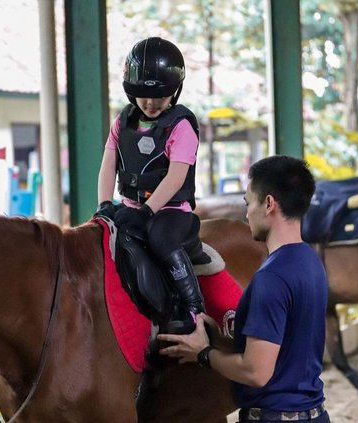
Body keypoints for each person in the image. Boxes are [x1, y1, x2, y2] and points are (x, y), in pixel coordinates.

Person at [158, 155, 331, 423]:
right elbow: (286, 351)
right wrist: (221, 340)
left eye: (249, 203)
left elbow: (256, 372)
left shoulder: (271, 278)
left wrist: (203, 354)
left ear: (269, 204)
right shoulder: (311, 263)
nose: (247, 212)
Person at [94, 37, 205, 334]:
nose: (150, 102)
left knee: (160, 239)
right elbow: (109, 163)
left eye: (159, 96)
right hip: (128, 208)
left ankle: (193, 306)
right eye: (142, 95)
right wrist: (104, 204)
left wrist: (147, 211)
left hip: (170, 211)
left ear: (174, 92)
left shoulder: (181, 127)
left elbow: (176, 177)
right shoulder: (123, 122)